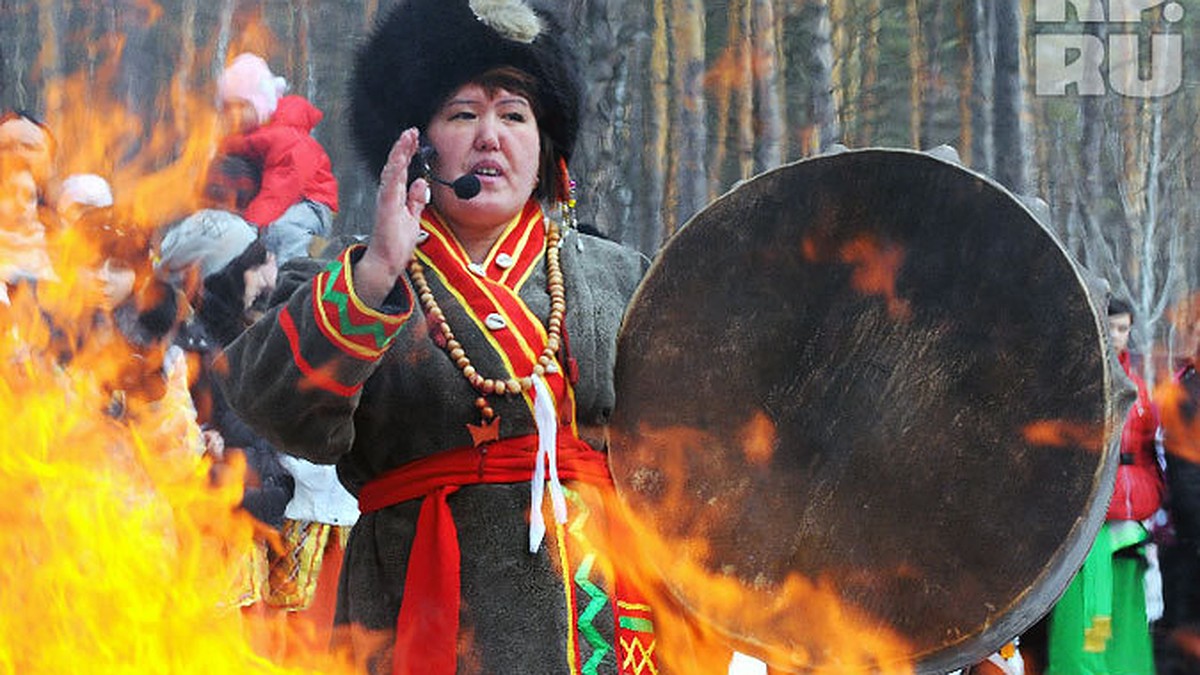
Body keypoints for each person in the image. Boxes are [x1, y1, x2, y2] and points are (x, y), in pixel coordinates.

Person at [218, 1, 658, 672]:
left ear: (545, 152)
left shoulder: (619, 277)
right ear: (417, 146)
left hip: (595, 621)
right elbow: (269, 404)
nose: (491, 136)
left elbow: (694, 446)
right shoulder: (351, 278)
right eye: (462, 114)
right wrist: (375, 275)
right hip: (413, 616)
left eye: (514, 115)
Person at [1045, 296, 1164, 674]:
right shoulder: (1079, 382)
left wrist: (1154, 495)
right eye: (1111, 327)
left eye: (1123, 329)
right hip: (1087, 525)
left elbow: (1148, 449)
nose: (1117, 336)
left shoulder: (1142, 391)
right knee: (1084, 623)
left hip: (1130, 525)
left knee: (1127, 617)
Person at [215, 52, 339, 264]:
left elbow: (282, 187)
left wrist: (252, 224)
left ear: (261, 104)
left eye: (242, 106)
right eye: (228, 107)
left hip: (312, 202)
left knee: (283, 230)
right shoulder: (258, 132)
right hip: (283, 199)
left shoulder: (286, 135)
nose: (234, 114)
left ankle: (292, 279)